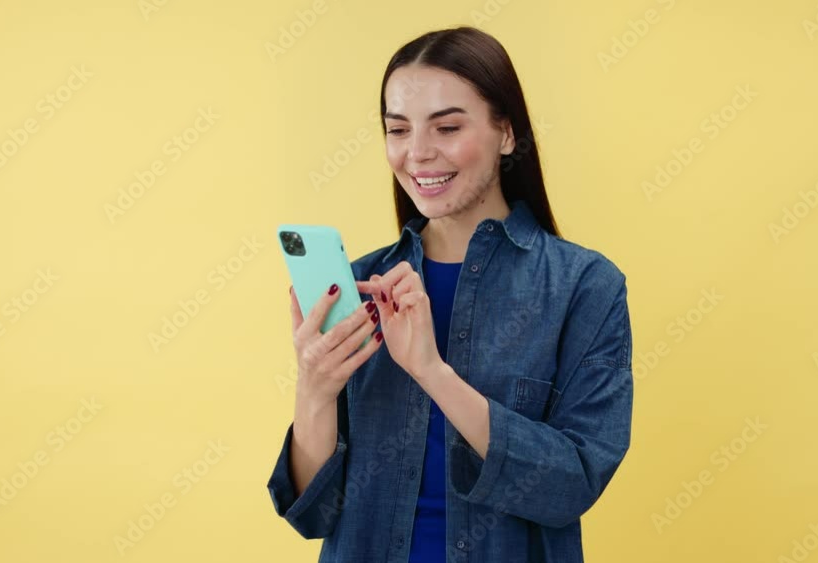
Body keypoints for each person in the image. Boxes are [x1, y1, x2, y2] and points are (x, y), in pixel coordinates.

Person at [268, 26, 633, 563]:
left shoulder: (584, 287)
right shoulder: (358, 285)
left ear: (506, 133)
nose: (417, 154)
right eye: (398, 130)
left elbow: (571, 486)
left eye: (447, 127)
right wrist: (314, 390)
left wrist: (431, 371)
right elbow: (313, 513)